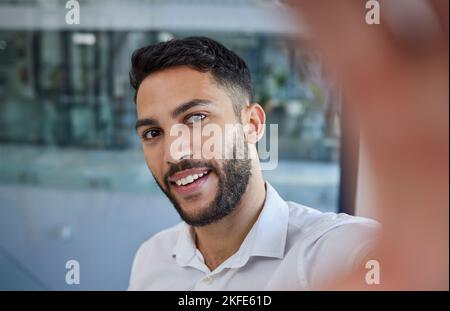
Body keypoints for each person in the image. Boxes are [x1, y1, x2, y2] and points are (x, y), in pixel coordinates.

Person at [127, 37, 379, 290]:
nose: (174, 152)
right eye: (153, 133)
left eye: (196, 118)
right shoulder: (151, 258)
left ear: (253, 124)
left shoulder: (336, 254)